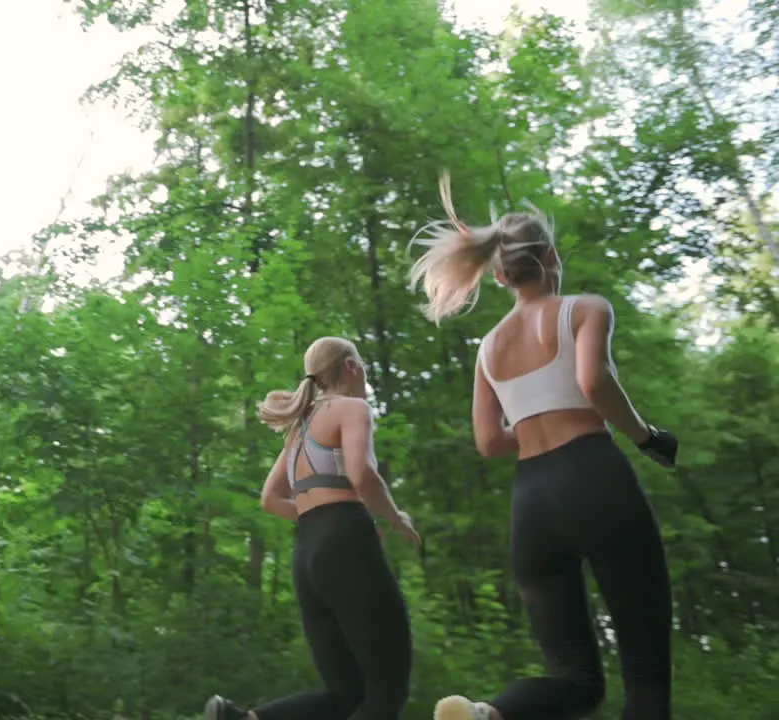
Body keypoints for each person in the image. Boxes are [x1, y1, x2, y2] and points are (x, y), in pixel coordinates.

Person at [407, 174, 680, 720]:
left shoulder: (488, 347)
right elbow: (595, 383)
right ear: (550, 256)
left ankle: (489, 714)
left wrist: (533, 427)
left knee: (576, 681)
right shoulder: (584, 309)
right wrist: (647, 437)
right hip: (594, 478)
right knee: (646, 676)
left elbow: (488, 441)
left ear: (501, 275)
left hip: (532, 505)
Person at [203, 336, 422, 720]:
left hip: (308, 553)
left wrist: (324, 523)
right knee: (388, 684)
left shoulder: (299, 428)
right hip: (345, 542)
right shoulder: (352, 409)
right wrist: (393, 517)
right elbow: (360, 473)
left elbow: (270, 498)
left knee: (345, 692)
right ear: (351, 367)